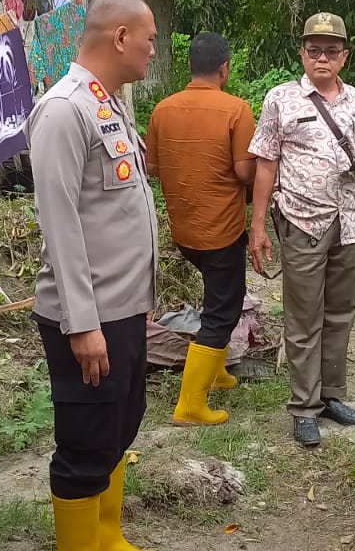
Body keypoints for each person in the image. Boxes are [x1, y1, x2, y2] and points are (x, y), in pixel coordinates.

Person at [28, 0, 159, 551]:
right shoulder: (64, 109)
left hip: (123, 308)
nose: (153, 50)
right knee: (86, 443)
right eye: (150, 39)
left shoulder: (106, 103)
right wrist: (81, 324)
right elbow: (60, 223)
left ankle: (107, 536)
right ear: (122, 37)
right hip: (90, 317)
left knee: (118, 427)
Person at [247, 11, 355, 448]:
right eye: (314, 50)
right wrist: (258, 225)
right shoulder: (281, 99)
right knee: (304, 317)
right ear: (302, 53)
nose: (322, 58)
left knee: (341, 312)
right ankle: (304, 406)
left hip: (347, 220)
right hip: (301, 218)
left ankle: (330, 397)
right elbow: (265, 163)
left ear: (344, 56)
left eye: (331, 51)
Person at [144, 32, 255, 426]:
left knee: (217, 297)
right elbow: (244, 171)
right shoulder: (236, 110)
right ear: (224, 68)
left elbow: (152, 167)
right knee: (223, 310)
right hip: (221, 230)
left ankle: (217, 371)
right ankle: (190, 404)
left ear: (189, 66)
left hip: (184, 230)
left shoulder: (162, 109)